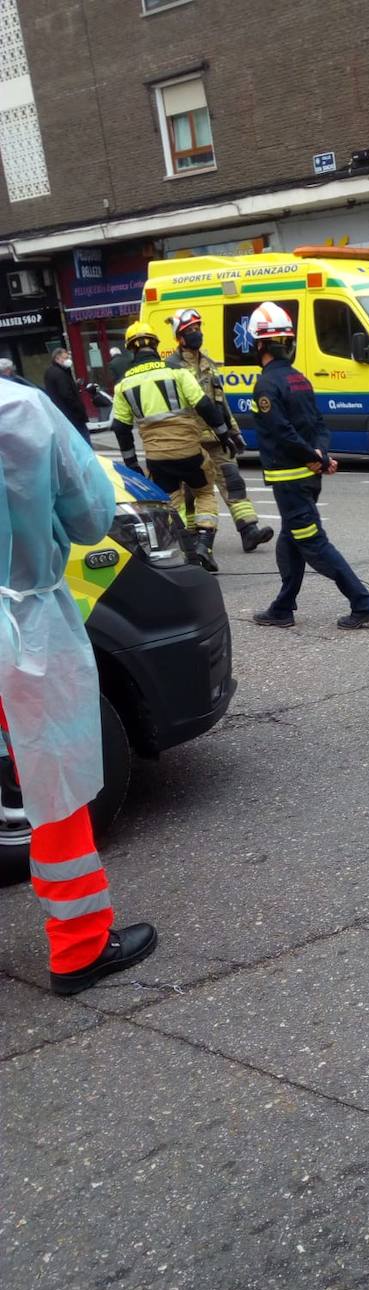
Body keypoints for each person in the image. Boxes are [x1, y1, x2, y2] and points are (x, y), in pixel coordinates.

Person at [0, 380, 157, 995]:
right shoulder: (18, 409)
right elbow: (92, 518)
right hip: (23, 631)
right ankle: (79, 946)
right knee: (52, 784)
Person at [247, 301, 369, 631]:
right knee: (289, 540)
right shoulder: (300, 380)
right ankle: (282, 607)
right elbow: (319, 424)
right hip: (308, 478)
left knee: (312, 543)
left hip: (290, 480)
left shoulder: (266, 384)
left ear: (260, 344)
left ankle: (362, 603)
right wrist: (320, 455)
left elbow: (281, 431)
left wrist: (315, 457)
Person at [111, 321, 236, 573]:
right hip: (189, 451)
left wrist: (132, 464)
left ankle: (187, 551)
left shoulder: (123, 385)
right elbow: (205, 405)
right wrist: (224, 435)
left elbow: (120, 428)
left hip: (158, 458)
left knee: (172, 502)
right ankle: (204, 545)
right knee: (204, 493)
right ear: (156, 345)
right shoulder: (177, 372)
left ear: (131, 350)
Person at [167, 308, 273, 553]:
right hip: (188, 440)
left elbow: (220, 403)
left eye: (198, 328)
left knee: (233, 481)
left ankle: (249, 530)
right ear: (180, 337)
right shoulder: (171, 368)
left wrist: (234, 432)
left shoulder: (208, 364)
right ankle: (192, 539)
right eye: (191, 330)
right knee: (191, 492)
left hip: (215, 436)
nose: (197, 334)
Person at [43, 346, 91, 443]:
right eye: (65, 358)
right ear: (57, 359)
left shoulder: (50, 372)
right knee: (83, 439)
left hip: (61, 414)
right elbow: (66, 394)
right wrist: (78, 409)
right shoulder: (60, 374)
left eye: (68, 358)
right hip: (72, 415)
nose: (68, 360)